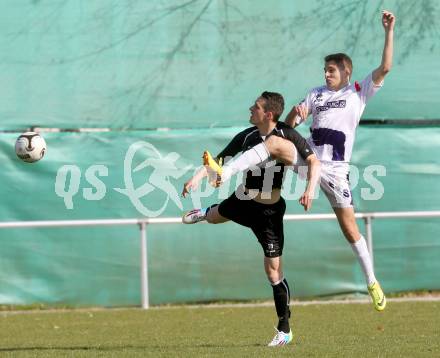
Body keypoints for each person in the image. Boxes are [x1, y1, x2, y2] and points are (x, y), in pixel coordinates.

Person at [204, 10, 395, 312]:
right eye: (324, 70)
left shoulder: (358, 92)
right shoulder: (316, 94)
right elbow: (293, 118)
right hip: (308, 159)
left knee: (350, 229)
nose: (326, 74)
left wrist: (388, 30)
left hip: (336, 171)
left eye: (331, 70)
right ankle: (225, 172)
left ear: (346, 72)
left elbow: (385, 67)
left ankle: (371, 280)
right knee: (276, 143)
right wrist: (292, 120)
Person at [181, 91, 320, 347]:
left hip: (269, 213)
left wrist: (310, 189)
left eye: (255, 107)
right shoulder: (247, 136)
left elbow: (314, 162)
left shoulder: (286, 135)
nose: (250, 109)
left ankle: (284, 329)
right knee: (214, 217)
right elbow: (217, 160)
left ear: (268, 113)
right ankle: (204, 212)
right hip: (244, 198)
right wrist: (195, 179)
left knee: (273, 271)